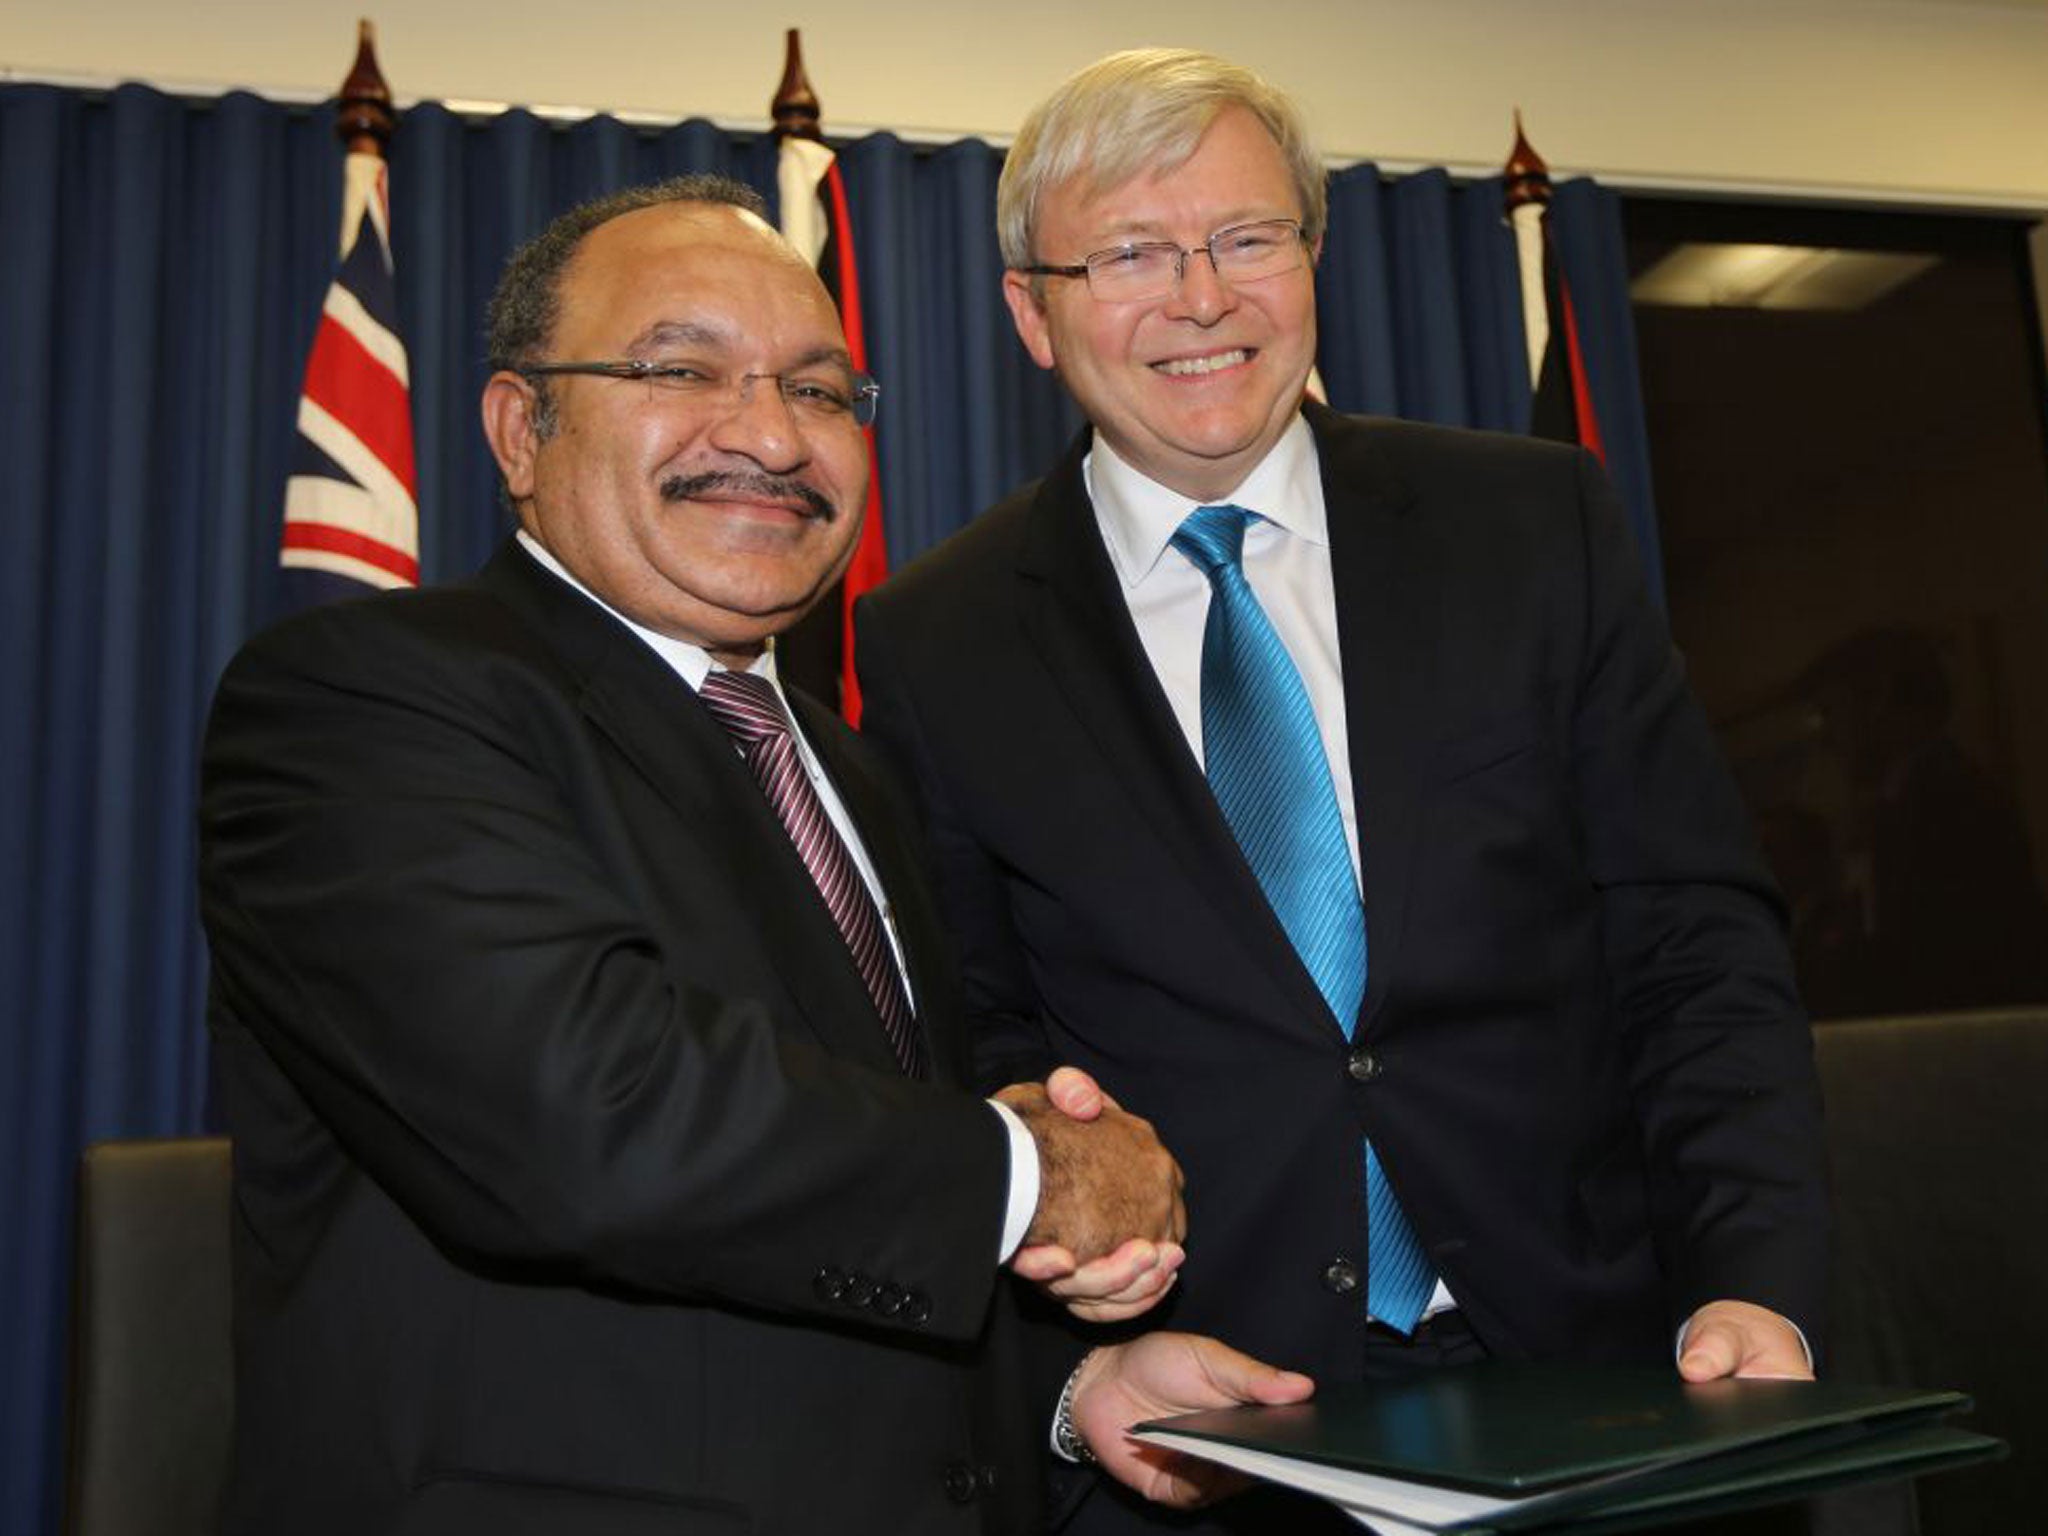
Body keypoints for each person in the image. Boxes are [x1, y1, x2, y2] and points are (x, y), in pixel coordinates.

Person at [198, 174, 1308, 1536]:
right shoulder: (363, 700)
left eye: (824, 391)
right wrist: (1032, 1180)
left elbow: (835, 1221)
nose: (772, 437)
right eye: (681, 368)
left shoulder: (845, 765)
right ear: (518, 429)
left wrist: (1075, 1391)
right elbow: (591, 1117)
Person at [855, 51, 1830, 1535]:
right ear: (1029, 314)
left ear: (1311, 259)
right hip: (1208, 1429)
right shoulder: (935, 636)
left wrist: (1758, 1277)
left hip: (1606, 1378)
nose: (1201, 296)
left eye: (1248, 237)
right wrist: (1071, 1290)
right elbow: (977, 1032)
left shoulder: (1532, 524)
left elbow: (1697, 946)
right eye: (1129, 253)